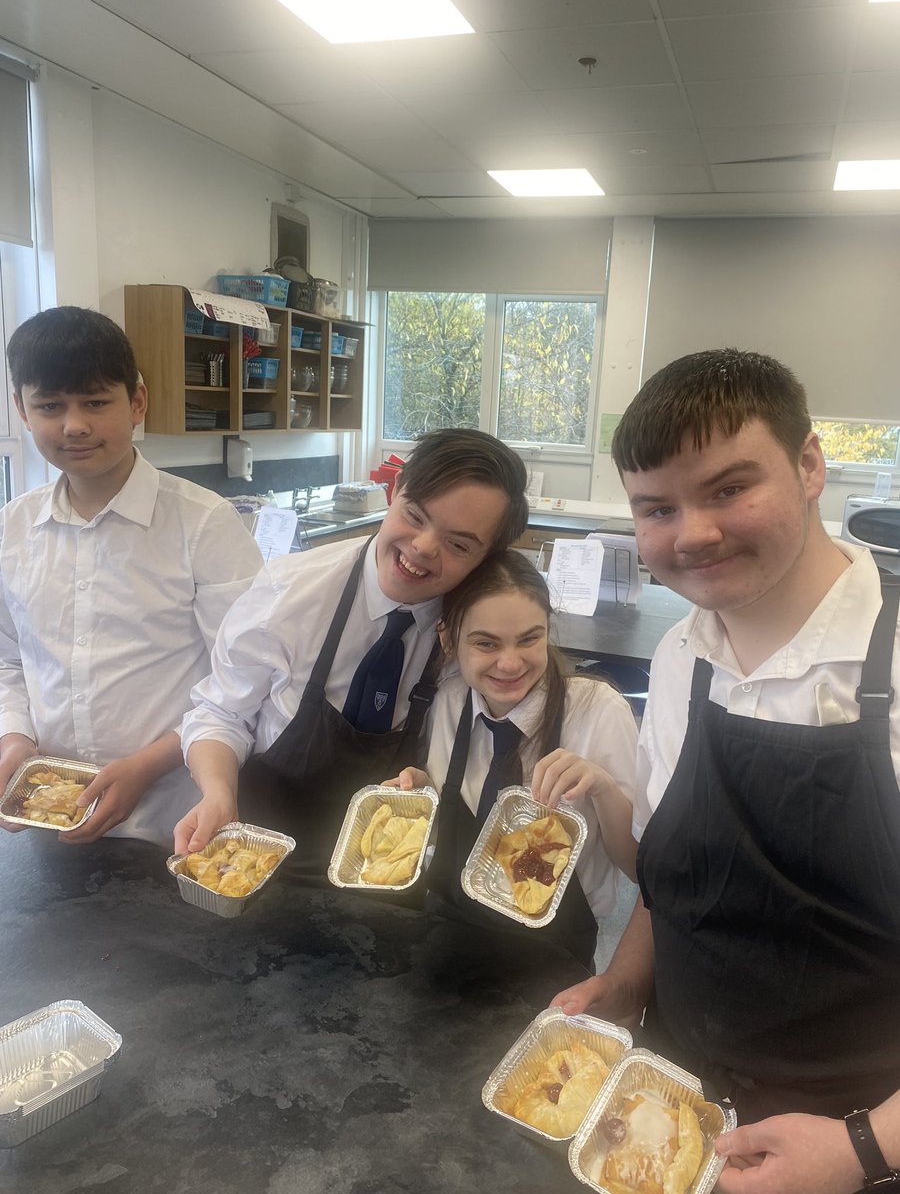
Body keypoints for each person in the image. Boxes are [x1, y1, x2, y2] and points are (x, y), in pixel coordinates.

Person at [550, 348, 900, 1194]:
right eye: (656, 507)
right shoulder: (681, 658)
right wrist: (627, 981)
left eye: (730, 488)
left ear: (811, 465)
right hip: (677, 1114)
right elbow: (679, 876)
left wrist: (862, 1150)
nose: (693, 532)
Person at [175, 429, 530, 874]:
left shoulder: (475, 635)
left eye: (458, 545)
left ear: (487, 558)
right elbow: (220, 714)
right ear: (395, 489)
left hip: (386, 877)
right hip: (259, 859)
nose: (422, 547)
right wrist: (217, 795)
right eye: (415, 515)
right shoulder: (289, 594)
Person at [0, 306, 263, 847]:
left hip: (176, 823)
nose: (74, 425)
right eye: (49, 406)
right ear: (22, 413)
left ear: (137, 401)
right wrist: (14, 740)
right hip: (47, 819)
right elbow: (9, 661)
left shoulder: (204, 523)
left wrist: (145, 764)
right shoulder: (12, 529)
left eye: (96, 402)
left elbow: (245, 681)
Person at [386, 548, 638, 968]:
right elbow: (457, 808)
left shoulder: (598, 711)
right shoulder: (448, 701)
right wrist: (422, 790)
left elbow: (635, 866)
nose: (509, 663)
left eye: (529, 639)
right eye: (486, 643)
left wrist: (603, 788)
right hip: (447, 934)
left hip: (555, 954)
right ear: (448, 639)